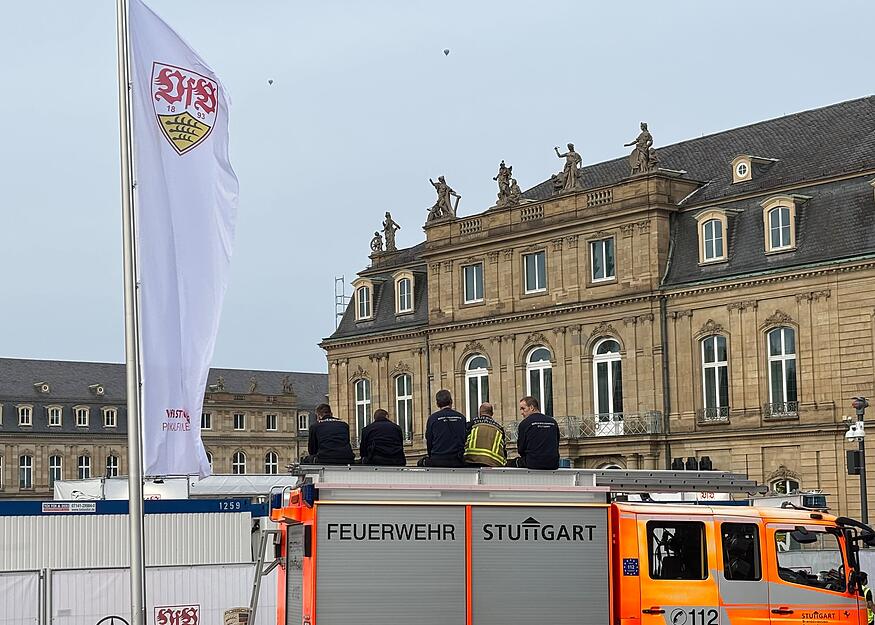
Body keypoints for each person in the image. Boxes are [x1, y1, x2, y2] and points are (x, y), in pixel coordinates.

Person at [507, 396, 560, 469]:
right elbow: (556, 443)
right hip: (553, 464)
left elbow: (521, 449)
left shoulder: (525, 423)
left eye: (523, 408)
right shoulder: (553, 422)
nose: (521, 413)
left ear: (531, 407)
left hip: (533, 463)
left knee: (509, 463)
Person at [417, 389, 467, 467]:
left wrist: (431, 456)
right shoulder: (461, 418)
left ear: (437, 404)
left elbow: (429, 440)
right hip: (457, 460)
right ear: (451, 401)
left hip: (438, 459)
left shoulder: (433, 418)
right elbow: (464, 438)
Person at [464, 403, 506, 467]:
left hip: (472, 460)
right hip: (492, 463)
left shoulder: (471, 424)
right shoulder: (499, 428)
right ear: (492, 413)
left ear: (479, 413)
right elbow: (503, 449)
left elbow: (463, 441)